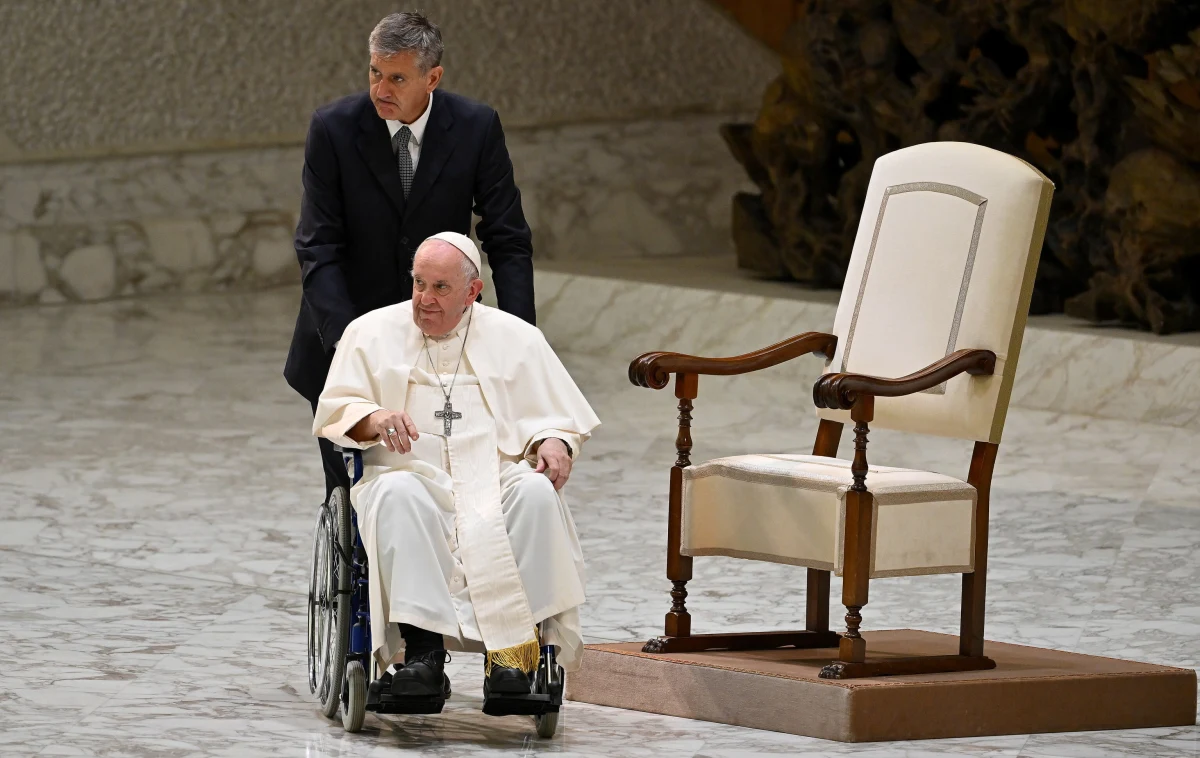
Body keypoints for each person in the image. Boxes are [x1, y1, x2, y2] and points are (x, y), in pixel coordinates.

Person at [313, 232, 598, 712]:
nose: (424, 300)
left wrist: (555, 441)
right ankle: (422, 654)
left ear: (473, 290)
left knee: (535, 494)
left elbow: (559, 417)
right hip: (408, 472)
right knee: (397, 495)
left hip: (495, 476)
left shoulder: (518, 338)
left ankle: (512, 659)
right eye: (418, 283)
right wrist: (376, 417)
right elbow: (338, 409)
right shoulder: (370, 332)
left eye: (440, 287)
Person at [286, 11, 536, 500]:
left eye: (397, 77)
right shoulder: (333, 129)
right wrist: (349, 346)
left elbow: (507, 237)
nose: (381, 87)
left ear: (432, 78)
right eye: (375, 73)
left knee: (447, 483)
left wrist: (521, 339)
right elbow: (318, 247)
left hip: (445, 336)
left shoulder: (476, 126)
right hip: (345, 335)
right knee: (357, 494)